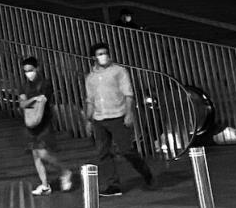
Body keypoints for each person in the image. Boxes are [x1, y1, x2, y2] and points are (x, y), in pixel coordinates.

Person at [83, 43, 154, 196]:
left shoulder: (119, 71)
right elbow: (90, 100)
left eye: (105, 53)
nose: (104, 56)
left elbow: (128, 93)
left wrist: (129, 113)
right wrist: (88, 120)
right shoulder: (91, 77)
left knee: (126, 149)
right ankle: (113, 185)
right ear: (94, 57)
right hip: (99, 118)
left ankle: (144, 171)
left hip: (117, 115)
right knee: (103, 152)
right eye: (100, 54)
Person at [17, 57, 73, 196]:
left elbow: (43, 101)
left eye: (30, 70)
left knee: (43, 153)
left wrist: (33, 101)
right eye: (26, 71)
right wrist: (34, 99)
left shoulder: (45, 84)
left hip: (44, 123)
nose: (28, 73)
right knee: (36, 155)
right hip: (30, 123)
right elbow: (22, 103)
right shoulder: (23, 86)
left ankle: (64, 171)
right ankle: (45, 184)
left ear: (37, 68)